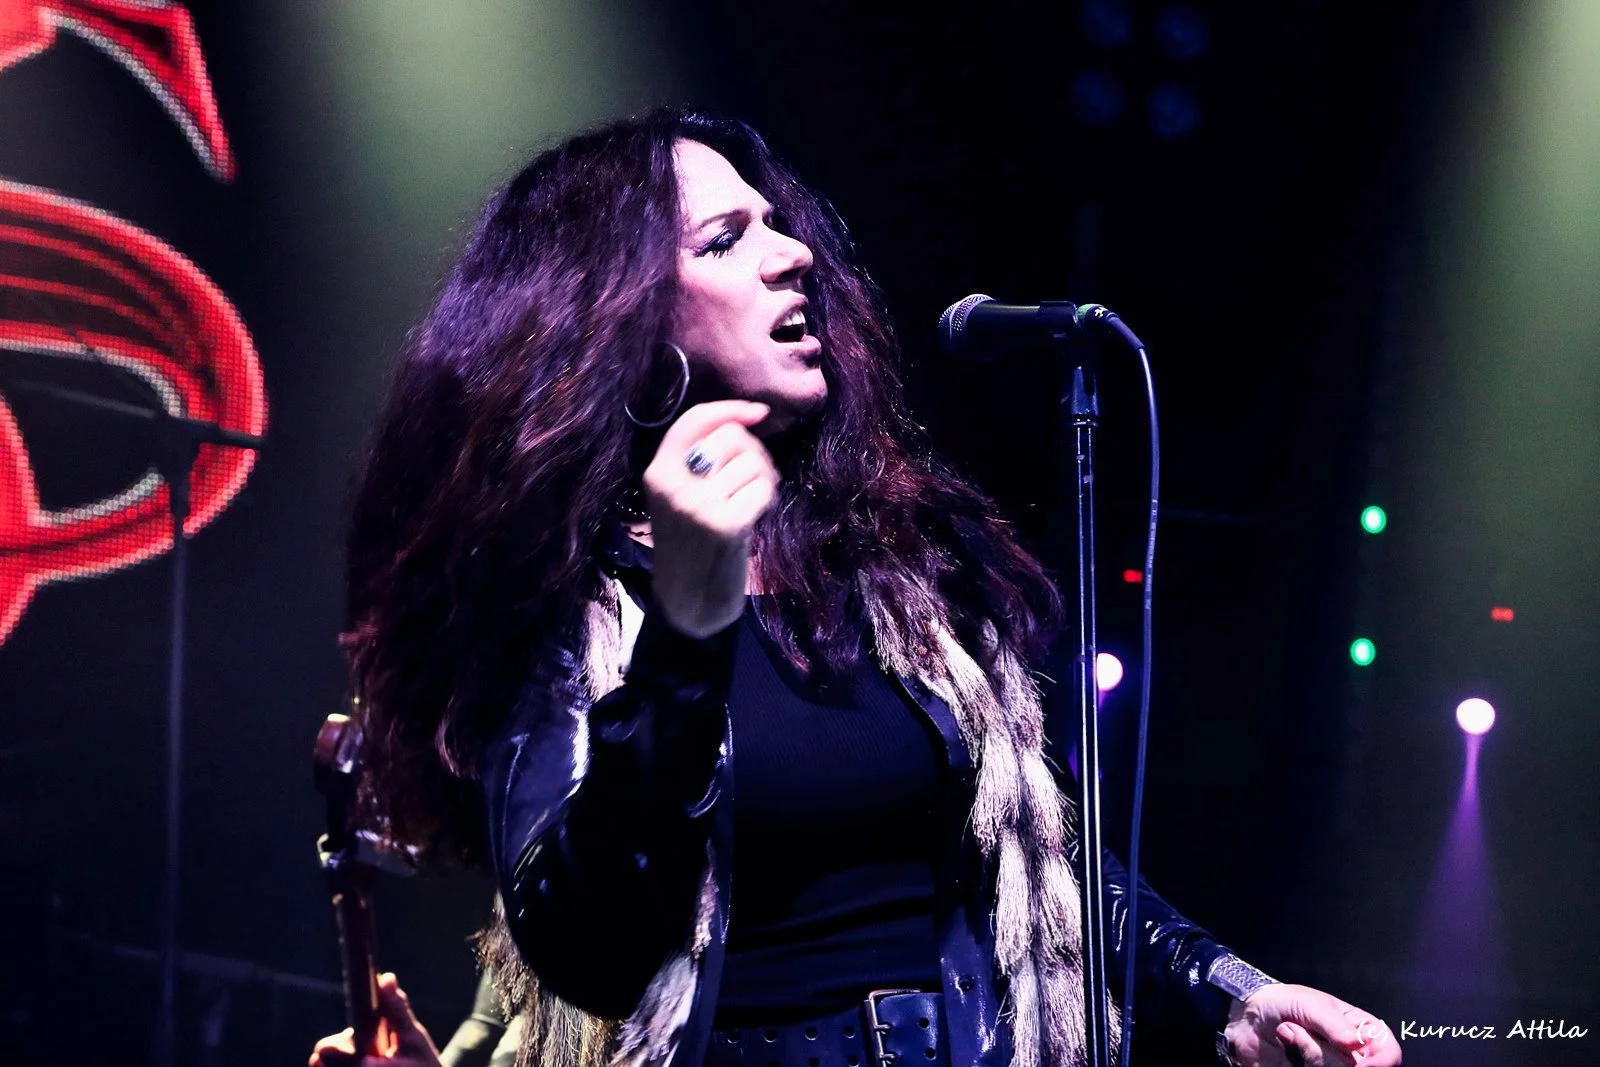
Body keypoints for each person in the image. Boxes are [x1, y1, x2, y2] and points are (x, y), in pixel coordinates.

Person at [334, 107, 1400, 1067]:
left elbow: (1048, 863)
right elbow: (586, 946)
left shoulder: (898, 575)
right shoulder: (568, 598)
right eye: (726, 239)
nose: (794, 252)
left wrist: (1228, 990)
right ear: (621, 313)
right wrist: (686, 631)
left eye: (777, 224)